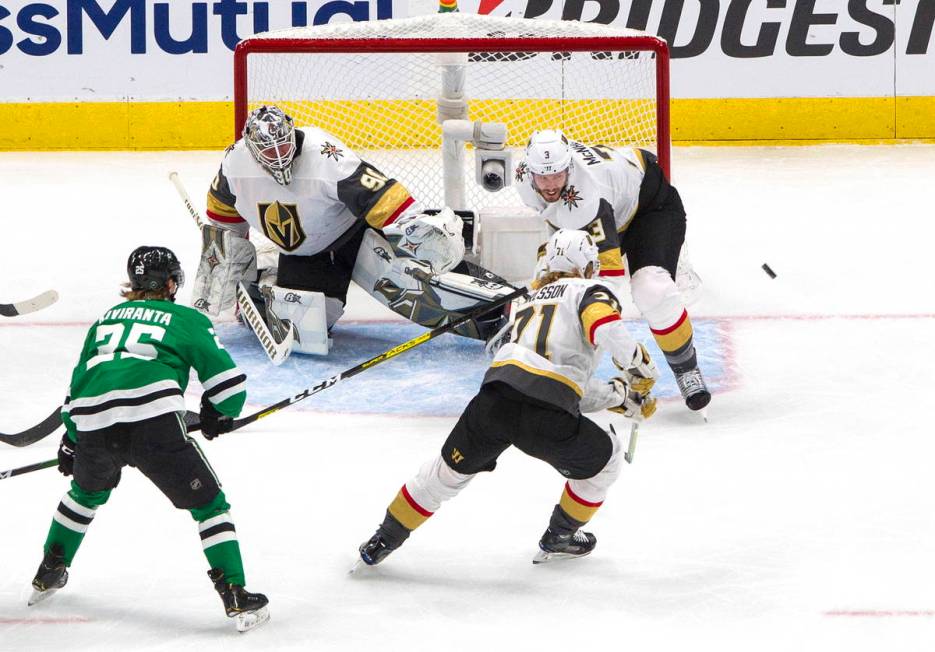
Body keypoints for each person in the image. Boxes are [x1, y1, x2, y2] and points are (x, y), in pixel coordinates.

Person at [357, 229, 658, 567]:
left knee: (443, 475)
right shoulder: (589, 291)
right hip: (546, 416)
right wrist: (639, 365)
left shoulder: (526, 302)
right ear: (588, 267)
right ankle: (560, 534)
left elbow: (552, 375)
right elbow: (600, 333)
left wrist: (617, 395)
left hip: (494, 401)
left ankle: (383, 539)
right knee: (608, 458)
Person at [28, 246, 269, 633]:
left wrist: (73, 441)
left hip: (92, 423)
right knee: (210, 506)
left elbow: (78, 389)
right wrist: (217, 414)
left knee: (84, 495)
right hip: (153, 424)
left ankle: (48, 570)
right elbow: (229, 388)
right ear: (171, 282)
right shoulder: (186, 318)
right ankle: (235, 593)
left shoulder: (105, 319)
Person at [194, 104, 513, 356]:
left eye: (283, 145)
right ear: (250, 147)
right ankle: (267, 277)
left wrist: (416, 236)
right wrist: (222, 268)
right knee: (303, 333)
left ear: (293, 133)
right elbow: (222, 216)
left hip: (354, 235)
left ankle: (501, 310)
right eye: (268, 150)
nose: (278, 156)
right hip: (305, 254)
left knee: (413, 286)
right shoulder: (235, 163)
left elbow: (380, 195)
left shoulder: (325, 155)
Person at [515, 129, 711, 413]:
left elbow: (608, 285)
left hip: (649, 206)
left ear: (569, 167)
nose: (550, 185)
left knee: (650, 289)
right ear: (529, 171)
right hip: (612, 203)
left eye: (557, 175)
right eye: (543, 177)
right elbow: (557, 229)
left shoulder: (585, 196)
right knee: (562, 275)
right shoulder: (523, 178)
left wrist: (626, 355)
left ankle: (686, 368)